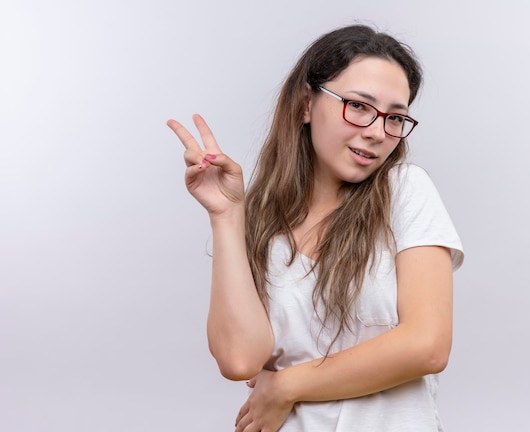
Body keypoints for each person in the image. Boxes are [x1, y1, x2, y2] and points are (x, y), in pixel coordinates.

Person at [167, 24, 464, 432]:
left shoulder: (404, 190)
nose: (377, 132)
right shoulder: (259, 221)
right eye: (359, 106)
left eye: (395, 117)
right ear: (305, 105)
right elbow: (239, 360)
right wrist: (226, 216)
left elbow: (427, 346)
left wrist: (286, 385)